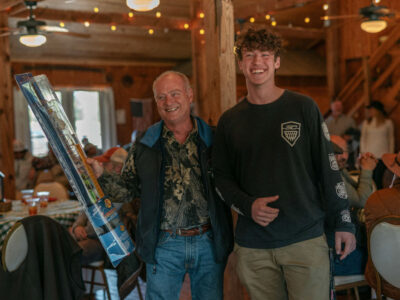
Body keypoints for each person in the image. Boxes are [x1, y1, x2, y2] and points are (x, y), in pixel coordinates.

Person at [212, 28, 356, 300]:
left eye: (265, 55)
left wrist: (344, 223)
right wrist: (247, 205)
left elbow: (329, 169)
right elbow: (221, 178)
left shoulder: (304, 107)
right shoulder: (230, 121)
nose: (257, 62)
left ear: (277, 61)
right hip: (254, 247)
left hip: (305, 240)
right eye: (250, 56)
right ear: (240, 63)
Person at [89, 71, 233, 300]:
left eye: (175, 94)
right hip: (163, 243)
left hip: (208, 241)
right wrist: (101, 175)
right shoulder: (146, 143)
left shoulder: (213, 139)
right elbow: (127, 189)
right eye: (161, 97)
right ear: (156, 102)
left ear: (189, 95)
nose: (169, 102)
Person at [328, 135, 377, 276]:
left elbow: (357, 192)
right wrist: (367, 171)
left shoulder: (339, 171)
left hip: (339, 249)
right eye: (338, 151)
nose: (343, 156)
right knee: (381, 258)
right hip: (337, 256)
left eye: (345, 150)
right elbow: (362, 201)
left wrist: (363, 168)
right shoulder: (332, 175)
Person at [360, 100, 394, 189]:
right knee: (370, 178)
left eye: (372, 109)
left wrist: (390, 154)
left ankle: (379, 197)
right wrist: (363, 152)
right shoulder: (366, 123)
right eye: (369, 110)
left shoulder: (388, 123)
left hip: (383, 155)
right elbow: (363, 138)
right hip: (370, 154)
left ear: (378, 110)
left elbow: (391, 139)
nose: (370, 111)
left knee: (380, 179)